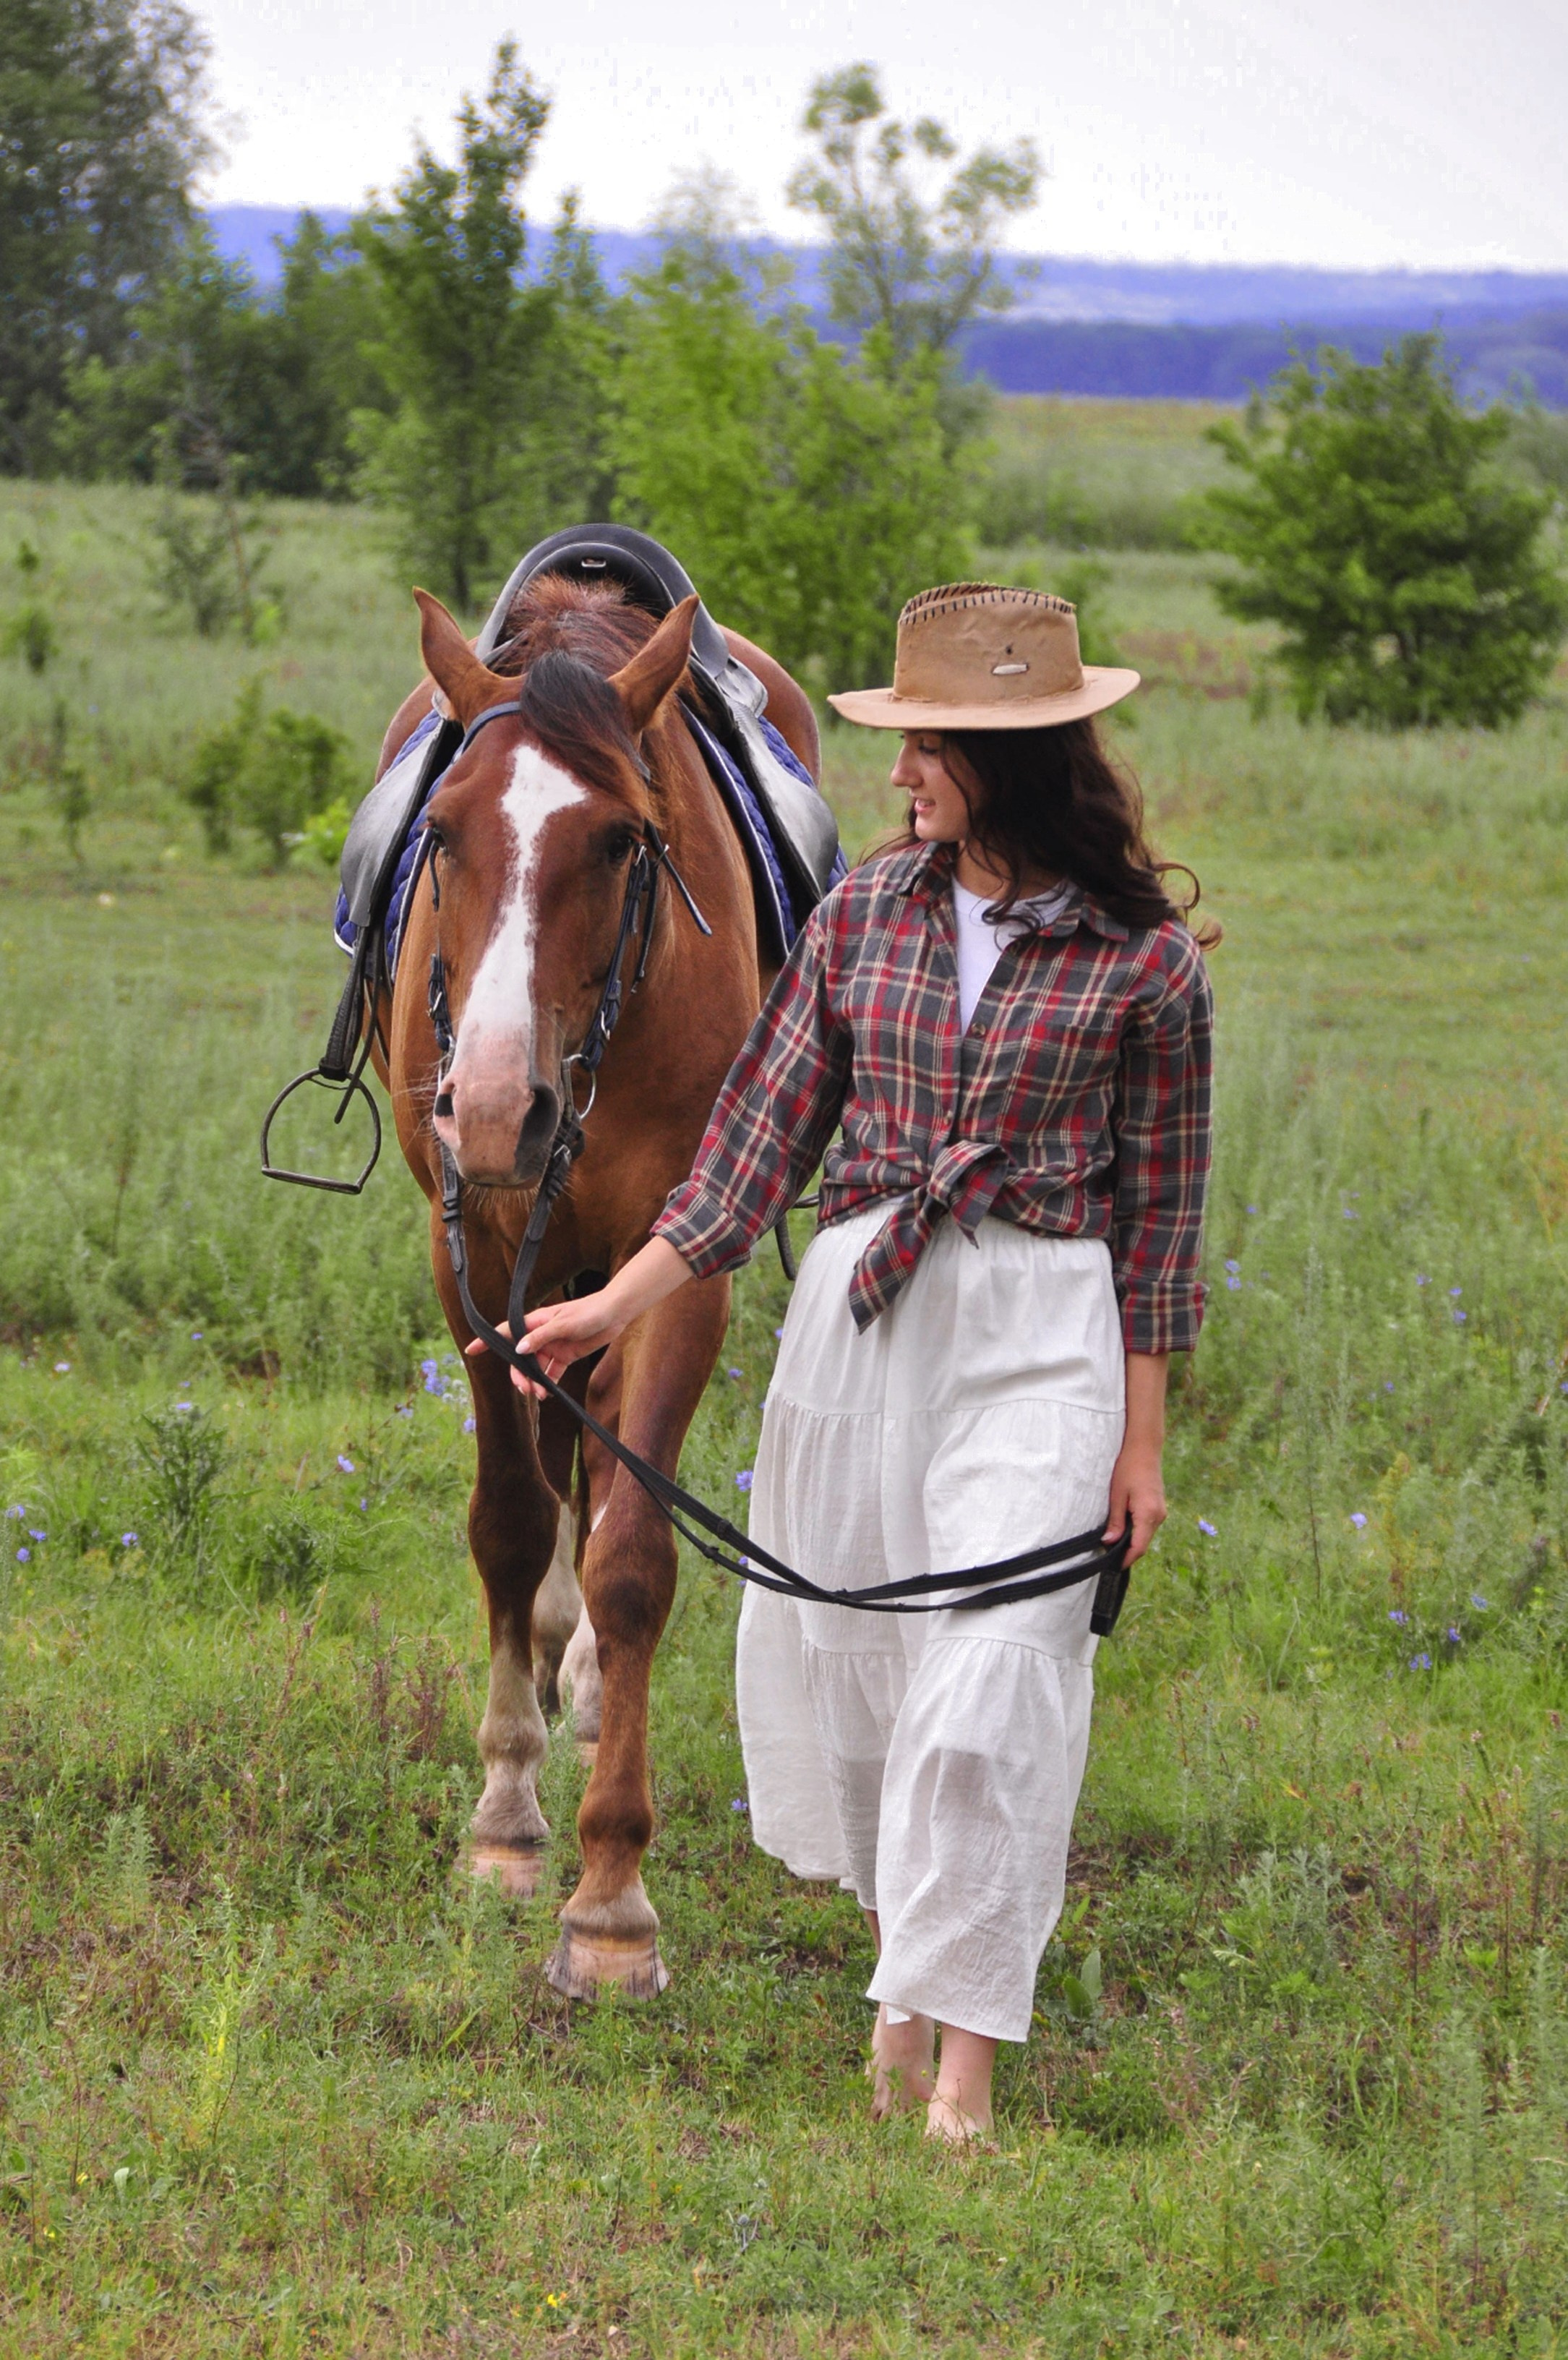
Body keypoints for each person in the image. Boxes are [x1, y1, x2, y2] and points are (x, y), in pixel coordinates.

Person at [515, 581, 1215, 2143]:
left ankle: (959, 2073)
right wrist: (602, 1308)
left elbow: (1162, 1229)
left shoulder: (1147, 967)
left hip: (1046, 1331)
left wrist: (1140, 1448)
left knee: (989, 1689)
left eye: (924, 752)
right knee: (890, 1690)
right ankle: (906, 1993)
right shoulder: (863, 915)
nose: (894, 778)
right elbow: (746, 1159)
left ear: (1001, 760)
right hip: (864, 1320)